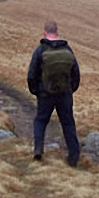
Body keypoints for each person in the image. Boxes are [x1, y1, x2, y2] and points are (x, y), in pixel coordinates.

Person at [27, 20, 81, 167]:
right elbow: (76, 72)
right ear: (57, 33)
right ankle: (74, 156)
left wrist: (36, 91)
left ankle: (38, 150)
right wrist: (71, 89)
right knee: (68, 123)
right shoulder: (67, 49)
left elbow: (32, 74)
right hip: (65, 94)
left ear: (45, 33)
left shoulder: (41, 50)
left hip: (45, 93)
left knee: (40, 121)